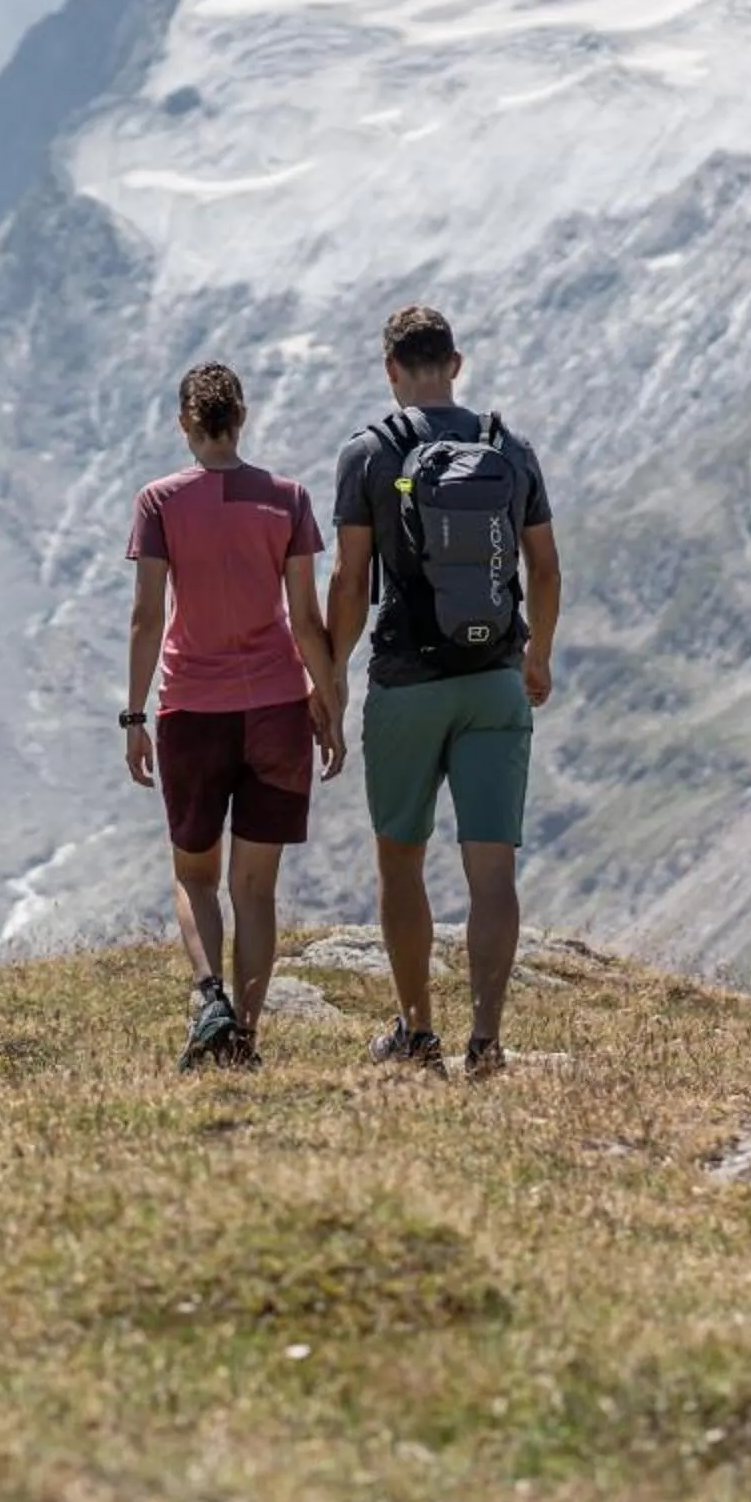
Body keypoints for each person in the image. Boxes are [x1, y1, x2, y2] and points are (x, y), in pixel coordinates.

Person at [325, 304, 560, 1077]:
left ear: (391, 369)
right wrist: (538, 659)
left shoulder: (368, 452)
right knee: (491, 871)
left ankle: (417, 1031)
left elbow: (352, 579)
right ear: (455, 363)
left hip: (406, 681)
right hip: (494, 677)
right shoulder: (509, 447)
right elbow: (545, 567)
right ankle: (486, 1041)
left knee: (401, 859)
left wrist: (329, 672)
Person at [125, 362, 345, 1069]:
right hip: (278, 707)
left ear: (186, 422)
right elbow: (307, 620)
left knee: (195, 875)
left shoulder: (159, 502)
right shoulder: (288, 499)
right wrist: (331, 702)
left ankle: (210, 1000)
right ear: (241, 417)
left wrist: (134, 717)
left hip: (193, 708)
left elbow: (145, 616)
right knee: (256, 887)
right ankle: (243, 1038)